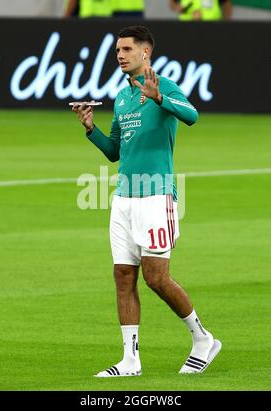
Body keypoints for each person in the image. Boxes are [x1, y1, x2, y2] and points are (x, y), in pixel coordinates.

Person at [72, 25, 221, 377]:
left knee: (157, 278)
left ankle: (203, 339)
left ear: (145, 53)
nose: (120, 55)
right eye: (117, 51)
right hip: (123, 199)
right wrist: (91, 129)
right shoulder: (122, 98)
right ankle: (130, 360)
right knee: (123, 276)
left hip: (156, 196)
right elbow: (114, 152)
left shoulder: (163, 85)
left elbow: (192, 115)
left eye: (126, 49)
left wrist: (158, 98)